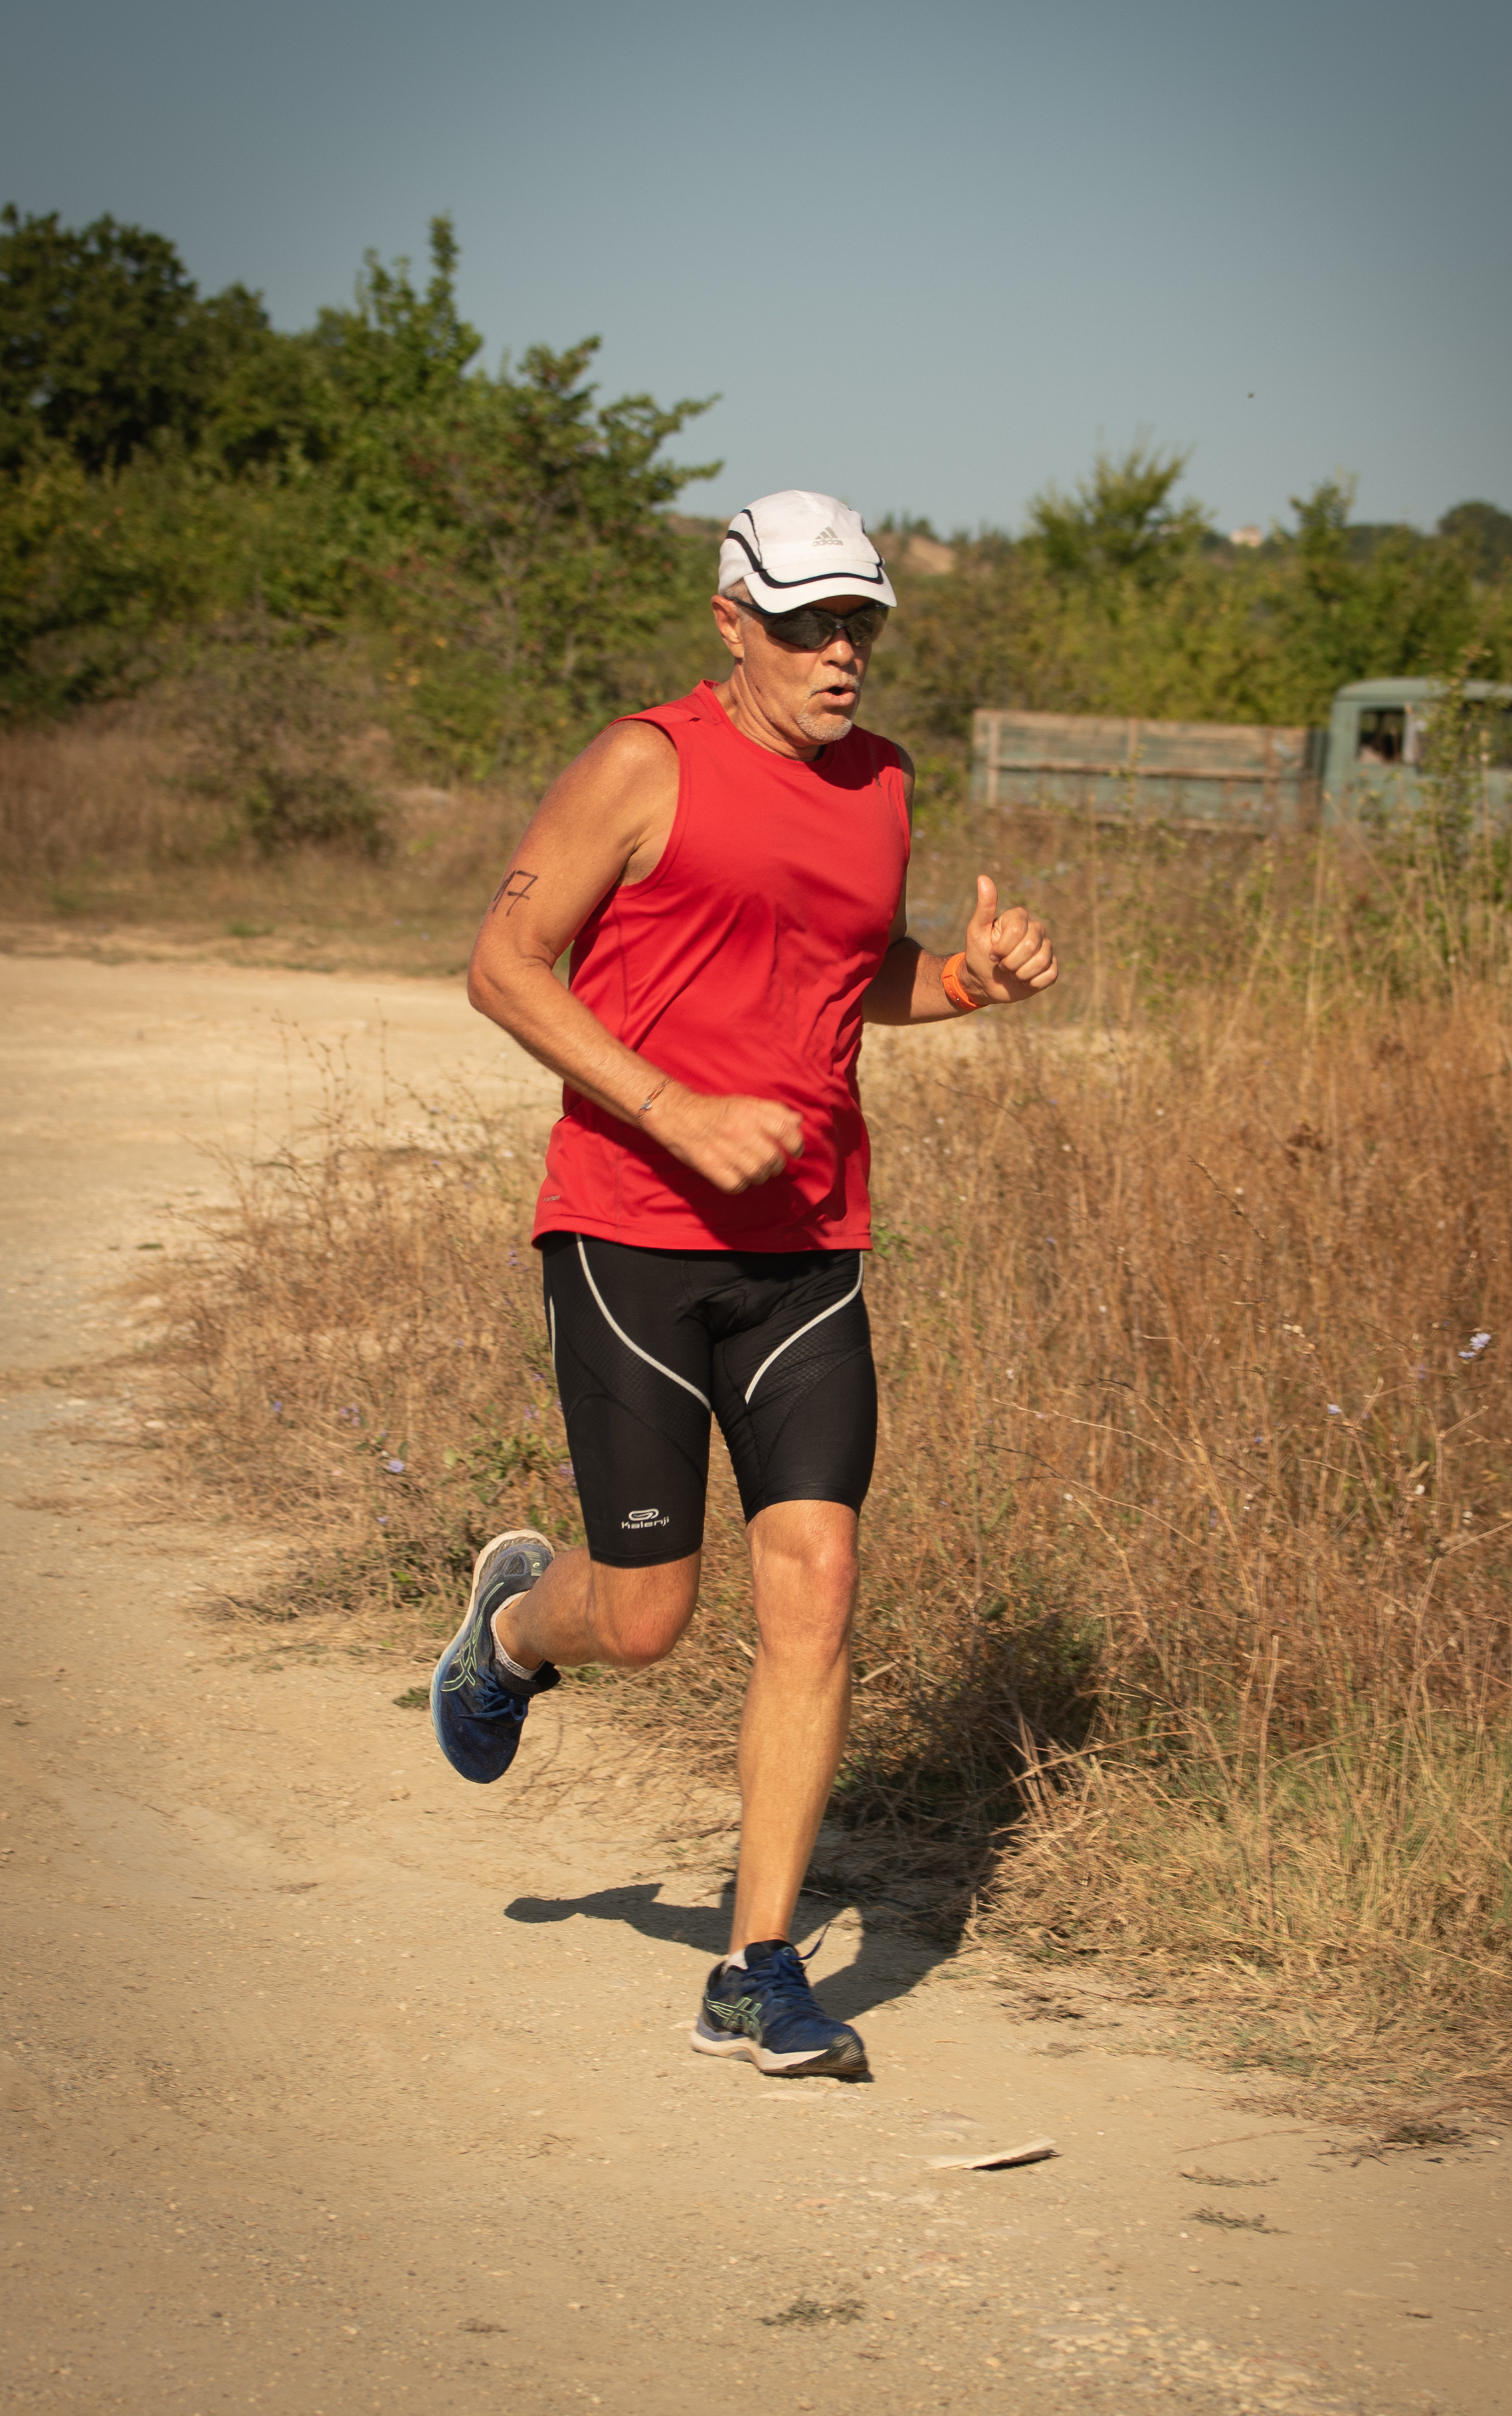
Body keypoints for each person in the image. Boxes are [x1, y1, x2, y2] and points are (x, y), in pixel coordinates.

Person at [431, 490, 1058, 2078]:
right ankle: (513, 1629)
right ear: (732, 623)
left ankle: (752, 1966)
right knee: (645, 1620)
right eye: (803, 625)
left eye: (859, 624)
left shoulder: (883, 782)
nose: (838, 654)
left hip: (808, 1249)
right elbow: (503, 967)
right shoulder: (644, 762)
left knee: (816, 1589)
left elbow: (860, 974)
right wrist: (673, 1110)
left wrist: (966, 982)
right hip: (630, 1232)